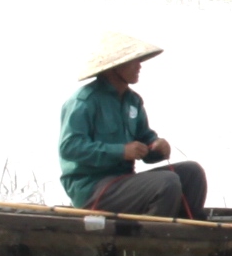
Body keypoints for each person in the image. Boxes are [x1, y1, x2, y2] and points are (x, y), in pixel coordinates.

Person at [59, 31, 208, 218]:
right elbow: (70, 148)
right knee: (167, 182)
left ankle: (190, 231)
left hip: (123, 183)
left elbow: (145, 141)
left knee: (193, 172)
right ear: (115, 67)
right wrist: (121, 151)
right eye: (134, 61)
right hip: (93, 190)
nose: (139, 66)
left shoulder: (133, 101)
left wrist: (157, 146)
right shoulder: (84, 102)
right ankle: (153, 237)